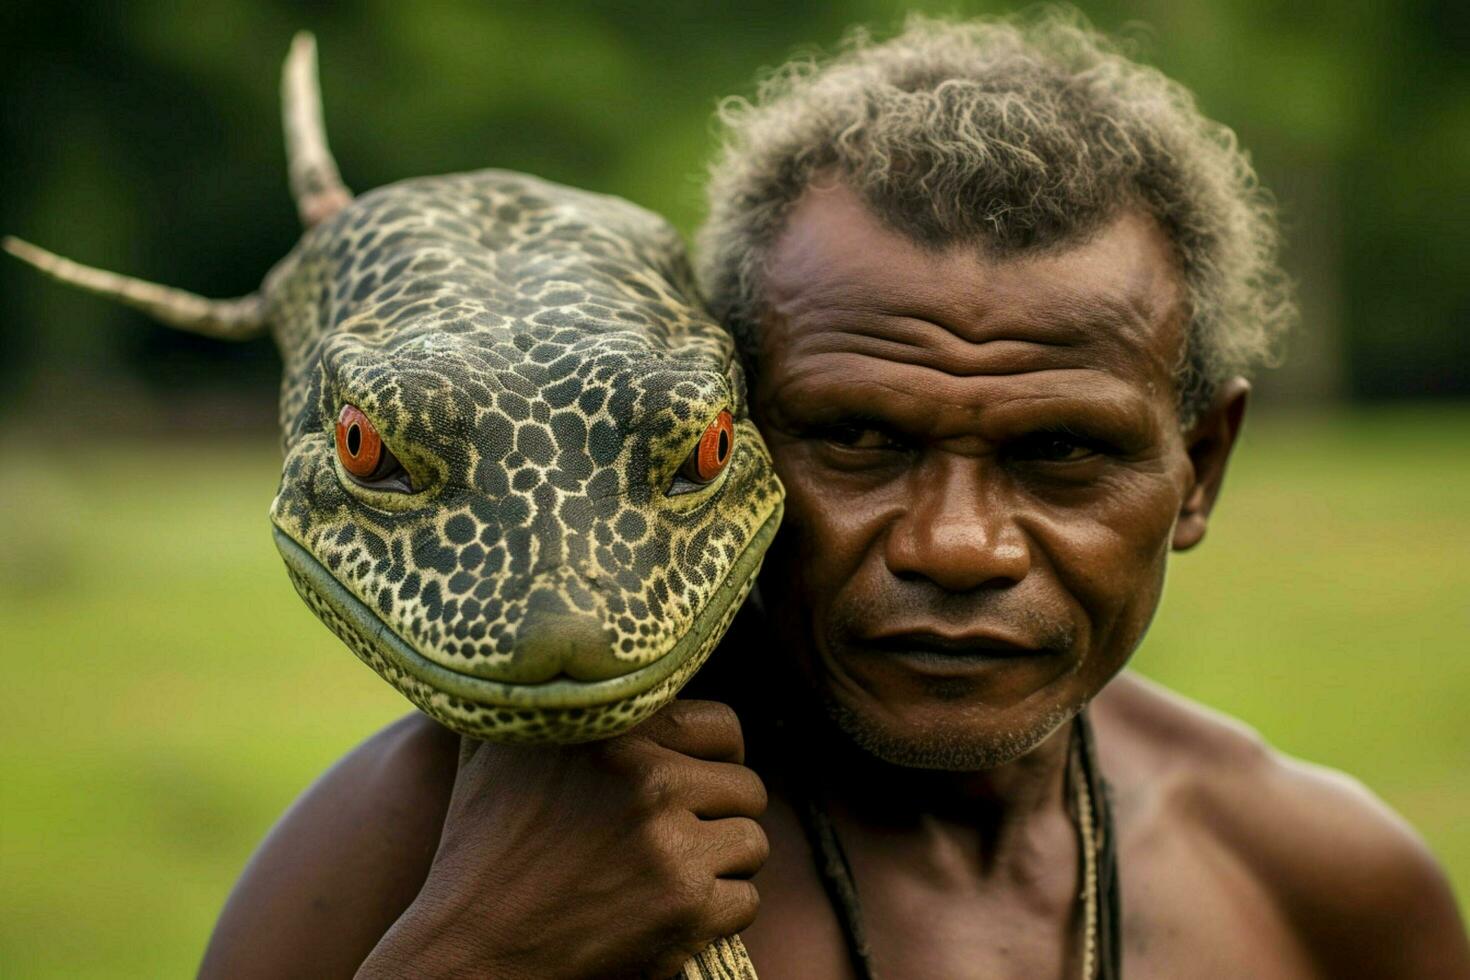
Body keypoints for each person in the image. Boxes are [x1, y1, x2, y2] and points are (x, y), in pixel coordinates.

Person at [200, 14, 1470, 978]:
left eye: (1062, 452)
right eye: (859, 438)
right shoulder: (432, 844)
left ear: (1201, 467)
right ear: (735, 435)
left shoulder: (1321, 887)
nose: (959, 545)